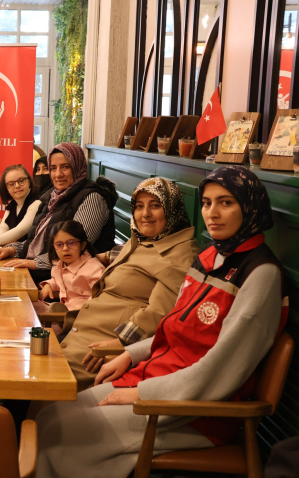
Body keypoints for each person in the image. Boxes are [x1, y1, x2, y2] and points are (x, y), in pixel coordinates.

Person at [34, 166, 288, 478]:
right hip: (158, 375)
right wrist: (131, 354)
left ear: (249, 207)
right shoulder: (210, 258)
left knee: (62, 433)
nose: (212, 213)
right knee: (49, 417)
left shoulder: (260, 273)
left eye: (226, 203)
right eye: (207, 203)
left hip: (194, 410)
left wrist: (145, 393)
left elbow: (222, 368)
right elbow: (174, 327)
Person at [61, 178, 200, 391]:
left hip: (101, 350)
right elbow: (125, 258)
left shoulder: (180, 254)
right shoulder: (143, 239)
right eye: (139, 206)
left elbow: (159, 314)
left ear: (172, 209)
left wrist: (120, 345)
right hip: (80, 333)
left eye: (155, 205)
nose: (145, 214)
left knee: (31, 380)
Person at [0, 142, 118, 285]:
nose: (58, 174)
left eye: (65, 167)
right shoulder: (52, 196)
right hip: (42, 271)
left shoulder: (93, 198)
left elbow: (75, 249)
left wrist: (34, 263)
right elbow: (36, 242)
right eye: (53, 168)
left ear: (77, 166)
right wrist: (11, 250)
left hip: (66, 280)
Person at [38, 220, 105, 339]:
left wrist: (80, 312)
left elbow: (100, 297)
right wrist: (49, 285)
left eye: (71, 243)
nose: (65, 248)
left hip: (81, 319)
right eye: (59, 245)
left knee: (38, 329)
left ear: (83, 245)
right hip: (64, 313)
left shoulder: (94, 268)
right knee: (30, 305)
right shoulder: (59, 265)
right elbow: (58, 281)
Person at [0, 164, 42, 250]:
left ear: (29, 181)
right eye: (11, 184)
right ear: (6, 188)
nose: (17, 186)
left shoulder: (37, 202)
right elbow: (3, 227)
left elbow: (21, 230)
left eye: (21, 180)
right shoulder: (12, 204)